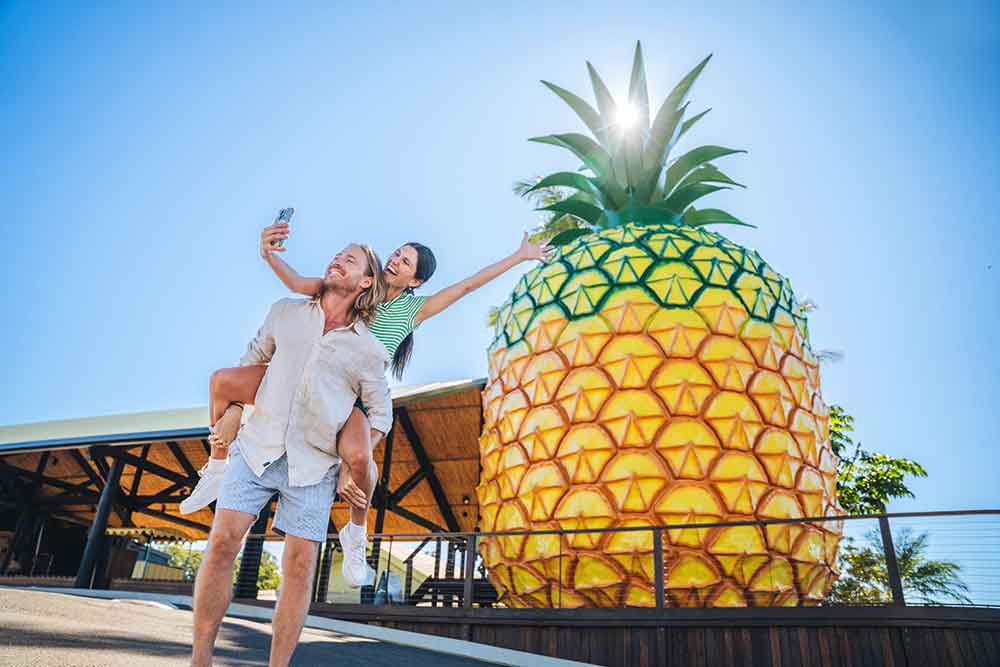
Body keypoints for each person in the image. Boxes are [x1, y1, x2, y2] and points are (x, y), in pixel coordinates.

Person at [181, 221, 553, 586]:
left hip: (351, 398)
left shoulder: (412, 311)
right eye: (396, 254)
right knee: (223, 383)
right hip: (306, 379)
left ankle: (356, 533)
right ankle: (216, 467)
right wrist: (269, 255)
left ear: (416, 281)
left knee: (360, 462)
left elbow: (470, 284)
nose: (396, 260)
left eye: (406, 262)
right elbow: (298, 284)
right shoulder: (359, 289)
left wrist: (520, 256)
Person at [191, 243, 391, 667]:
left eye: (350, 260)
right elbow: (250, 363)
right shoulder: (285, 311)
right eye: (337, 255)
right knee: (223, 543)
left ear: (367, 281)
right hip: (256, 447)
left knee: (299, 568)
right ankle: (200, 660)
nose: (337, 259)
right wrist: (230, 417)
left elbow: (380, 414)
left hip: (315, 465)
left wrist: (351, 463)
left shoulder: (369, 351)